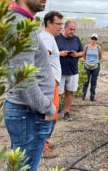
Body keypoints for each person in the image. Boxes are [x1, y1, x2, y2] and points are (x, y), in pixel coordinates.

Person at [3, 0, 55, 171]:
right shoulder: (19, 26)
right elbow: (23, 80)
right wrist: (47, 107)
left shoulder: (23, 23)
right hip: (29, 113)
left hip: (28, 113)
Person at [39, 11, 63, 158]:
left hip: (49, 82)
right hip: (49, 83)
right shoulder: (47, 39)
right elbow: (42, 60)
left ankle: (44, 142)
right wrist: (50, 79)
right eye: (58, 24)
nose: (61, 27)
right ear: (48, 23)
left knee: (49, 114)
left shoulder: (46, 37)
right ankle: (43, 148)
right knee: (50, 115)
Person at [55, 20, 83, 121]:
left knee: (70, 92)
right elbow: (50, 52)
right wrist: (59, 53)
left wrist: (76, 55)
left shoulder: (76, 39)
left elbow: (82, 52)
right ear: (65, 27)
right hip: (59, 72)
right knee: (57, 93)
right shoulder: (56, 38)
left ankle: (67, 112)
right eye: (71, 29)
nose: (72, 31)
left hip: (73, 71)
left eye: (74, 30)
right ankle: (55, 111)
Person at [82, 33, 102, 101]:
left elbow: (100, 56)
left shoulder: (98, 47)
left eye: (95, 39)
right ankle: (83, 96)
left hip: (96, 66)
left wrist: (95, 62)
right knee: (85, 81)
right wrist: (87, 61)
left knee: (93, 82)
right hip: (87, 66)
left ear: (97, 40)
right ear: (91, 38)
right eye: (93, 38)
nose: (94, 40)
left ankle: (92, 97)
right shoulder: (86, 46)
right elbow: (84, 55)